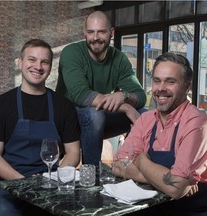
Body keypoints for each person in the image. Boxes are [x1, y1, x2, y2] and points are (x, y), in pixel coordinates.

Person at [113, 52, 207, 215]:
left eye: (170, 81)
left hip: (205, 210)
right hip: (167, 205)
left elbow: (176, 189)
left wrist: (140, 160)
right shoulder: (146, 120)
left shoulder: (198, 124)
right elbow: (118, 165)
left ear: (186, 87)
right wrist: (166, 181)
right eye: (157, 81)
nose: (161, 88)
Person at [0, 39, 81, 216]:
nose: (38, 66)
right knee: (3, 211)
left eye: (44, 62)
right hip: (10, 184)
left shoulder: (64, 106)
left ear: (50, 67)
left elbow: (73, 152)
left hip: (50, 182)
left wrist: (54, 179)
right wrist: (26, 184)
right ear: (20, 63)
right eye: (32, 59)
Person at [56, 11, 146, 165]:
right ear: (84, 32)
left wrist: (124, 95)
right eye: (91, 32)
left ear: (111, 33)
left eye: (101, 32)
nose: (95, 37)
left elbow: (140, 96)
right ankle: (91, 175)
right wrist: (125, 107)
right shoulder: (71, 53)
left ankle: (130, 166)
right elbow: (81, 95)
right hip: (68, 120)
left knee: (145, 115)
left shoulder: (119, 58)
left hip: (97, 119)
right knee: (94, 114)